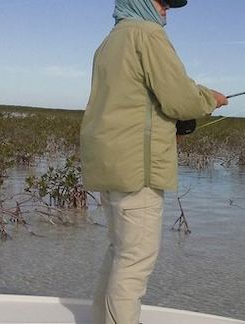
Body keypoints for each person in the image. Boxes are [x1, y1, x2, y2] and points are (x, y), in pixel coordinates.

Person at [79, 0, 228, 323]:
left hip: (110, 165)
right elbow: (180, 99)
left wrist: (195, 98)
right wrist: (209, 99)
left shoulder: (111, 40)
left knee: (120, 252)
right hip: (137, 170)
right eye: (162, 2)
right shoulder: (148, 35)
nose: (166, 10)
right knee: (134, 261)